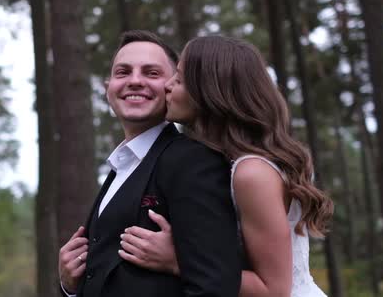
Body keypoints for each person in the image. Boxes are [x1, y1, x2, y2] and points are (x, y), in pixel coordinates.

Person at [118, 35, 334, 297]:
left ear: (210, 92)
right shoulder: (225, 162)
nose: (168, 85)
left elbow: (275, 290)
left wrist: (178, 261)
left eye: (181, 78)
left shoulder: (252, 173)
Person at [58, 30, 241, 297]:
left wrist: (182, 263)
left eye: (151, 73)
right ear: (108, 86)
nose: (134, 81)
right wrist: (69, 286)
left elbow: (214, 287)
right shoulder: (120, 167)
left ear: (173, 86)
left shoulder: (194, 162)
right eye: (123, 72)